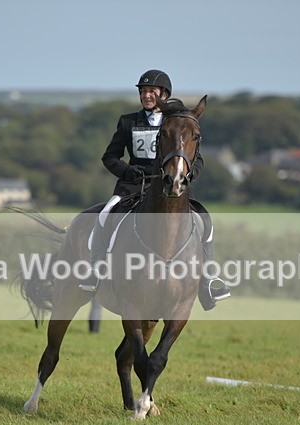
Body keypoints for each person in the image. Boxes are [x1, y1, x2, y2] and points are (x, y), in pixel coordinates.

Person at [79, 69, 230, 310]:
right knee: (105, 215)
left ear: (163, 95)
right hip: (133, 187)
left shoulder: (177, 124)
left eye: (152, 91)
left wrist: (186, 175)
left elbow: (196, 159)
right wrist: (129, 171)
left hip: (169, 188)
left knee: (204, 219)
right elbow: (109, 157)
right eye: (143, 91)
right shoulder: (128, 121)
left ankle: (208, 280)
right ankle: (96, 271)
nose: (147, 95)